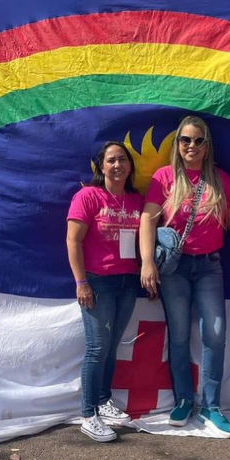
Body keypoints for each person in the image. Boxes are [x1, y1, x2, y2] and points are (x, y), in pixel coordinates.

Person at [139, 115, 230, 438]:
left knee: (215, 334)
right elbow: (148, 219)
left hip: (209, 267)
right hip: (174, 269)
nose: (191, 146)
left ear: (207, 145)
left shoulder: (221, 179)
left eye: (198, 140)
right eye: (185, 140)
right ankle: (184, 400)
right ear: (177, 144)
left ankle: (212, 406)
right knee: (178, 335)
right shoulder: (164, 178)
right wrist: (147, 261)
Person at [66, 141, 144, 442]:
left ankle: (102, 399)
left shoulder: (136, 201)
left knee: (111, 346)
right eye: (111, 160)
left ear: (130, 166)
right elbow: (73, 241)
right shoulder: (88, 196)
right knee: (97, 347)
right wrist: (81, 282)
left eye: (123, 159)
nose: (117, 165)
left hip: (127, 282)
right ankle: (88, 414)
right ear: (101, 166)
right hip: (98, 282)